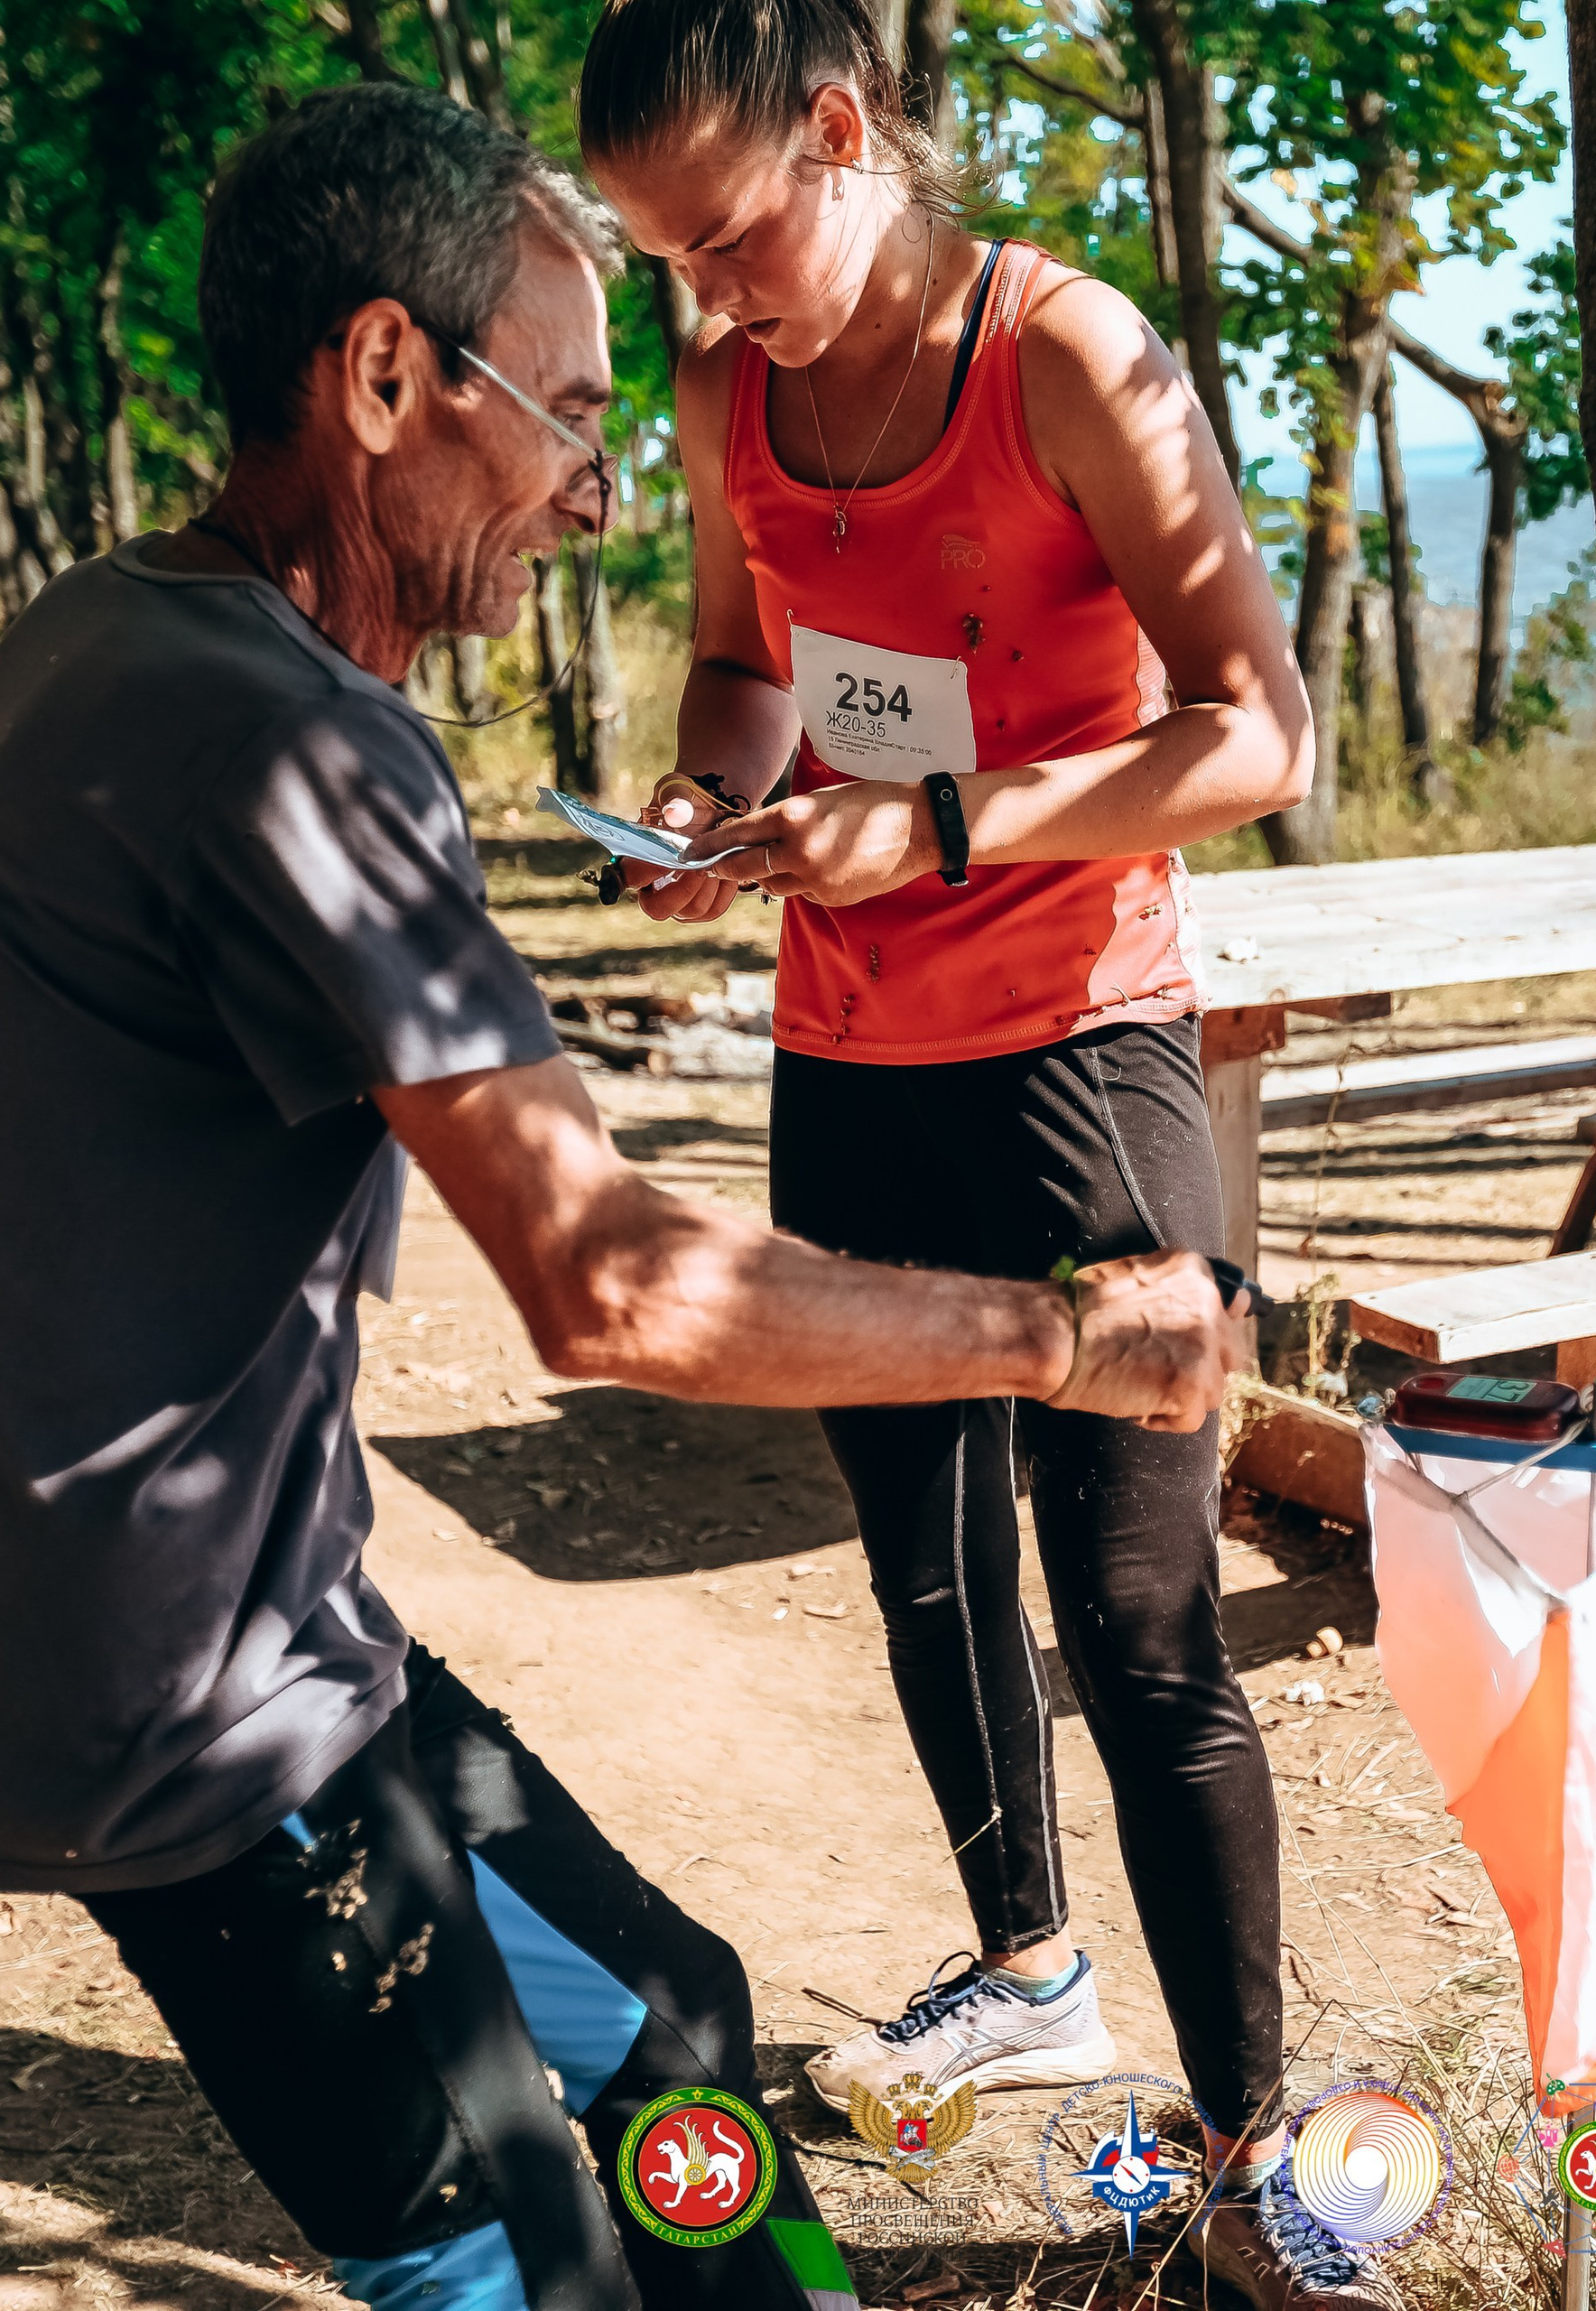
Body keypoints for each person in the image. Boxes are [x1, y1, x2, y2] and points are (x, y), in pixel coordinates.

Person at [0, 82, 1244, 2311]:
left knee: (674, 2010)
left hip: (263, 1634)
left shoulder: (94, 641)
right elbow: (608, 1288)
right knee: (521, 2267)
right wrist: (1066, 1334)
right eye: (563, 415)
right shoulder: (303, 742)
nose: (595, 484)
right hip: (175, 1711)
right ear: (385, 377)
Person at [574, 7, 1395, 2306]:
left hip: (1077, 1044)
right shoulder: (738, 381)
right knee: (923, 1568)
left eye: (725, 240)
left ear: (843, 136)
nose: (705, 307)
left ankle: (1258, 2166)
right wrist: (696, 801)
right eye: (662, 266)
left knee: (1138, 1618)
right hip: (845, 1045)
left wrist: (934, 822)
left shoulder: (1064, 353)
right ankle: (1031, 1967)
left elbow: (1257, 728)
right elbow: (745, 661)